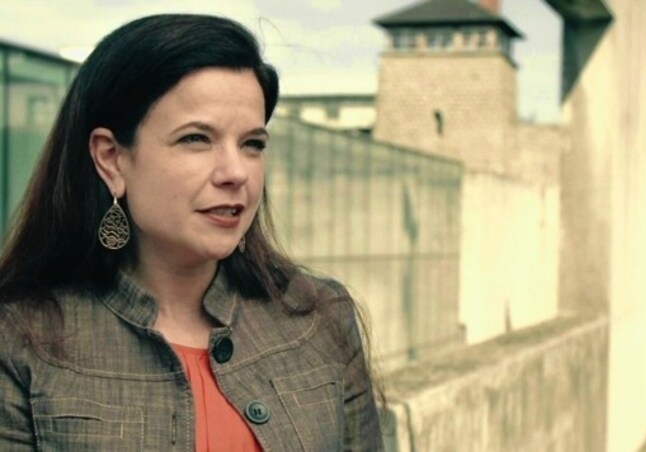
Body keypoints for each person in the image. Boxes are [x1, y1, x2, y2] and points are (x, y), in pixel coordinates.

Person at [0, 14, 383, 451]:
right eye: (196, 139)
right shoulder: (22, 339)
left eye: (252, 144)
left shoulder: (317, 316)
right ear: (111, 159)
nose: (236, 172)